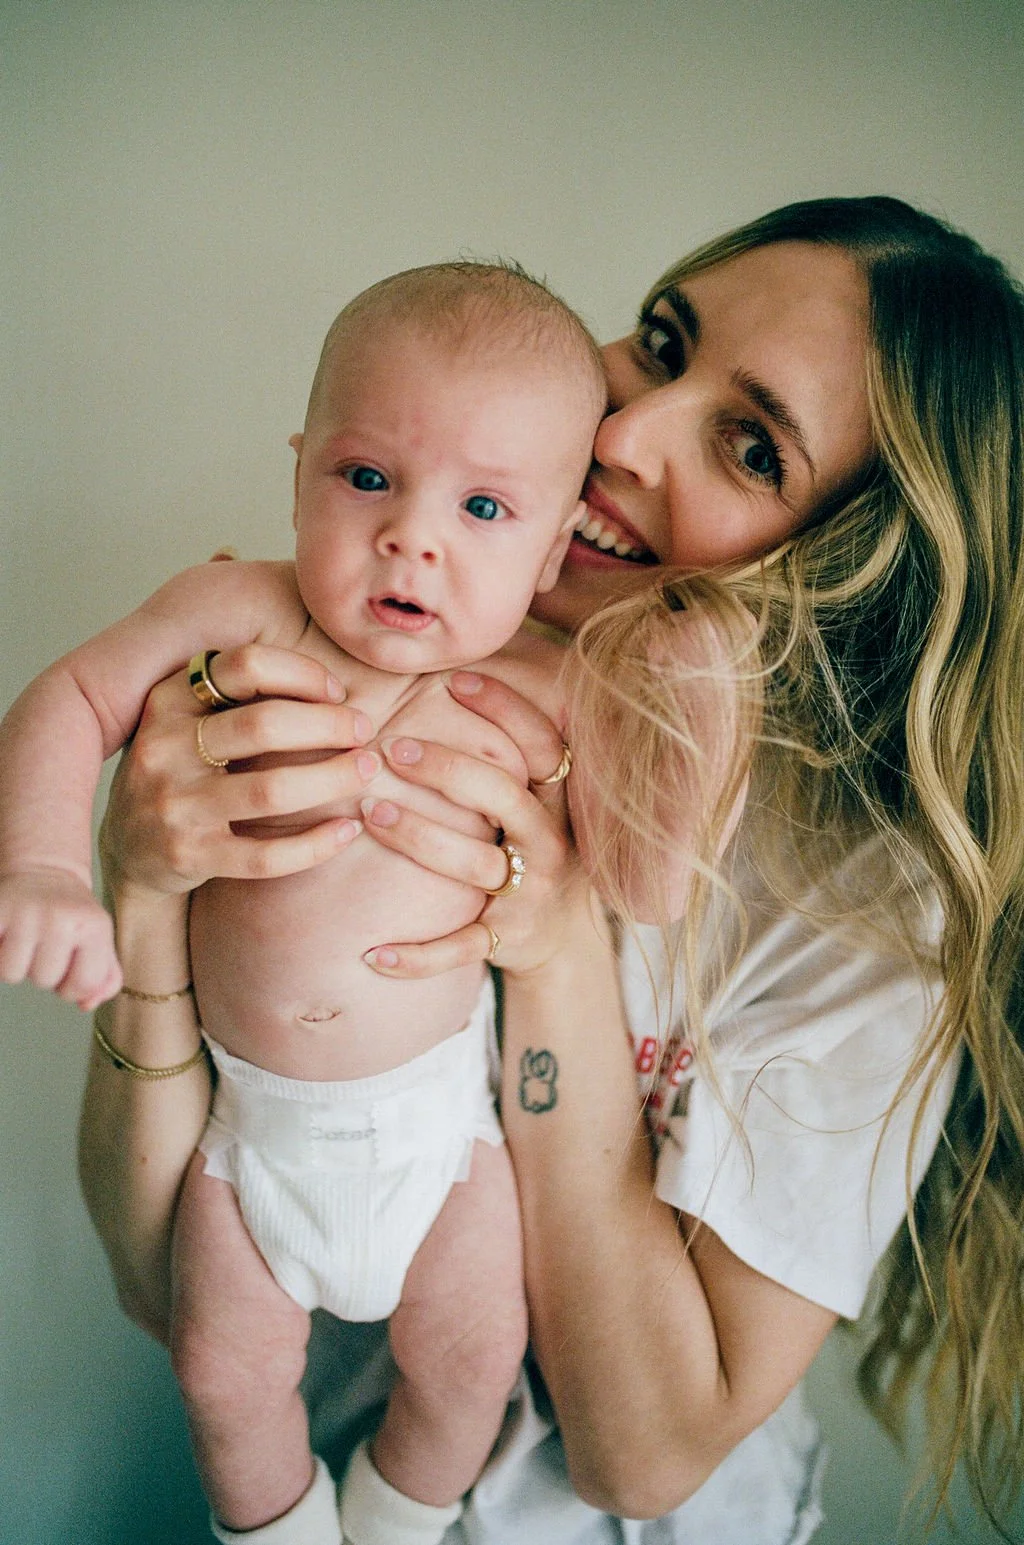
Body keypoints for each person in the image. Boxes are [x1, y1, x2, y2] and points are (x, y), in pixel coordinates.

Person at [76, 197, 1024, 1544]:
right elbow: (156, 1280)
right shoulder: (361, 638)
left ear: (854, 562)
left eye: (750, 446)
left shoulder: (861, 904)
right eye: (660, 339)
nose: (624, 435)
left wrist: (563, 937)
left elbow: (642, 1456)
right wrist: (148, 895)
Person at [0, 262, 625, 1545]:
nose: (412, 536)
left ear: (555, 546)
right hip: (253, 1139)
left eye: (485, 505)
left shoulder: (543, 685)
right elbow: (68, 700)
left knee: (467, 1366)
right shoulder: (234, 613)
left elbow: (660, 862)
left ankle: (393, 1525)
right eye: (366, 478)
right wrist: (51, 868)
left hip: (444, 1141)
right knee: (223, 1381)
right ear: (299, 470)